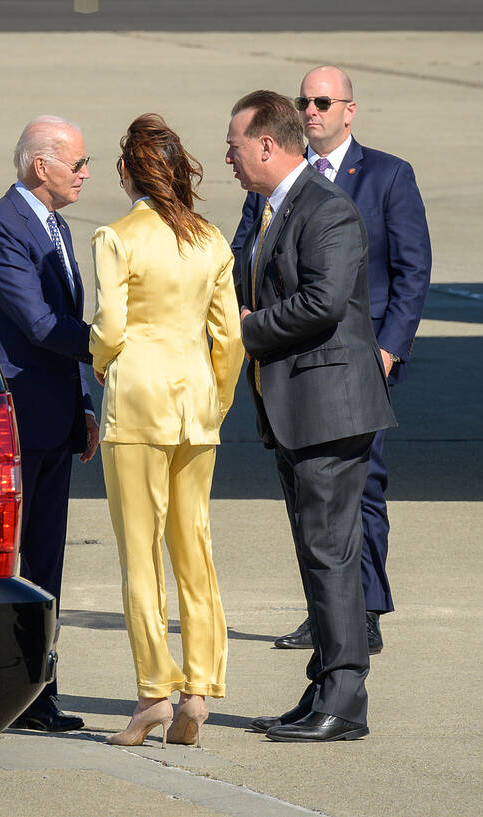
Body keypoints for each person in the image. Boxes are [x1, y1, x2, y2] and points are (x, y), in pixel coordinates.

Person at [232, 66, 431, 655]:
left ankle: (363, 610)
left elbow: (412, 271)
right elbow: (246, 255)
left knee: (360, 491)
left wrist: (389, 351)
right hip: (292, 366)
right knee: (315, 512)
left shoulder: (387, 176)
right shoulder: (270, 188)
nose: (311, 109)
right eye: (304, 100)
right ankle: (327, 616)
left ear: (350, 110)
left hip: (357, 363)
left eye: (323, 100)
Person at [226, 90, 395, 742]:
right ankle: (324, 684)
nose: (229, 158)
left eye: (236, 145)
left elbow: (323, 303)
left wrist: (249, 329)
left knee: (330, 555)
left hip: (329, 411)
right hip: (294, 409)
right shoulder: (273, 207)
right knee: (316, 553)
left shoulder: (326, 210)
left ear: (268, 145)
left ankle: (344, 698)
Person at [90, 114, 243, 748]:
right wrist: (217, 398)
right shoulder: (211, 240)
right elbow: (229, 338)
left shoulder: (117, 236)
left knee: (140, 555)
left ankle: (153, 689)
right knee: (194, 549)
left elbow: (107, 328)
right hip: (195, 405)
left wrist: (102, 366)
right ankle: (199, 690)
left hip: (137, 405)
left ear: (130, 172)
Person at [0, 115, 98, 732]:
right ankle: (6, 691)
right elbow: (41, 326)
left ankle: (37, 690)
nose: (86, 175)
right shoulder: (0, 230)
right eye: (78, 163)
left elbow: (61, 322)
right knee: (5, 564)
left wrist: (86, 405)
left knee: (46, 563)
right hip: (13, 429)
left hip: (55, 423)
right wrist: (118, 344)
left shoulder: (56, 227)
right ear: (41, 166)